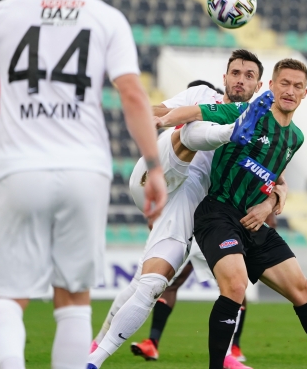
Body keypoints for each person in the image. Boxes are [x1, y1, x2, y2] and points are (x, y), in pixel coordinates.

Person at [0, 0, 168, 368]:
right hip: (86, 170)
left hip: (20, 166)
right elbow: (134, 95)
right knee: (73, 297)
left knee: (3, 295)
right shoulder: (106, 17)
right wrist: (154, 167)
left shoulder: (2, 12)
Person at [155, 59, 307, 369]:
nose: (290, 90)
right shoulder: (246, 112)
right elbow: (195, 113)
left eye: (297, 86)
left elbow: (275, 178)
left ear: (305, 93)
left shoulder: (296, 138)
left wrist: (268, 204)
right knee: (236, 286)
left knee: (304, 289)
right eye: (285, 83)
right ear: (271, 86)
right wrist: (161, 120)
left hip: (254, 221)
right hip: (217, 214)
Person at [89, 50, 285, 369]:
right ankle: (228, 133)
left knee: (151, 282)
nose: (240, 79)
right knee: (192, 122)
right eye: (235, 72)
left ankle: (93, 355)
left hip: (189, 200)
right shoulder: (201, 94)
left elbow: (277, 177)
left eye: (249, 75)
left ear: (259, 84)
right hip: (156, 173)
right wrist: (149, 114)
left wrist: (273, 199)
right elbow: (164, 110)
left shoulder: (264, 125)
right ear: (224, 78)